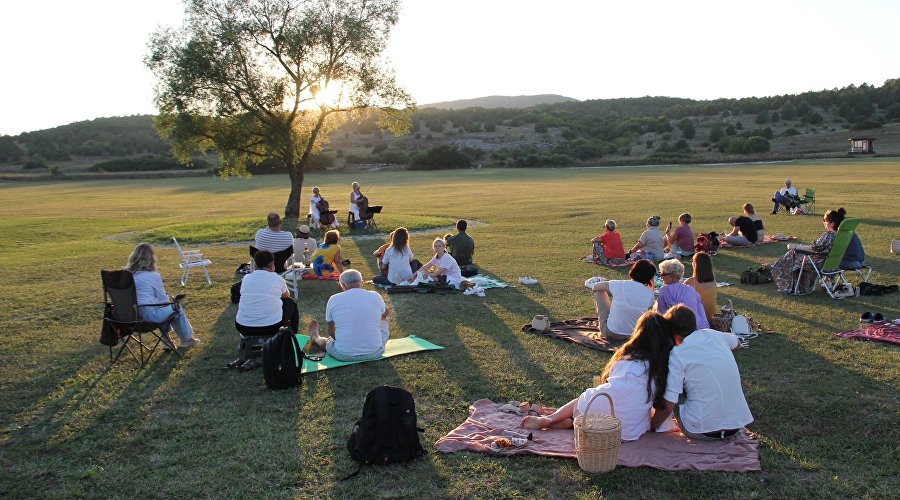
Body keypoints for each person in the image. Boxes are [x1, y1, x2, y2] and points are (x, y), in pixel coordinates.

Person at [520, 311, 676, 441]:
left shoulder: (626, 358)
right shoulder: (663, 366)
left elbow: (609, 382)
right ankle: (571, 422)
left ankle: (550, 419)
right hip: (630, 432)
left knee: (583, 399)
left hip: (600, 411)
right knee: (621, 407)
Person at [651, 305, 753, 440]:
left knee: (674, 387)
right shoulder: (715, 335)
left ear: (672, 332)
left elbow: (668, 404)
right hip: (734, 427)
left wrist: (651, 426)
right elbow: (737, 343)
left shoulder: (678, 354)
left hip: (700, 430)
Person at [126, 243, 200, 349]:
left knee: (161, 308)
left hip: (127, 316)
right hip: (147, 317)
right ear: (151, 258)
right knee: (175, 307)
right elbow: (163, 300)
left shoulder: (125, 275)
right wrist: (173, 301)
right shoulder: (152, 276)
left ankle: (167, 341)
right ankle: (187, 340)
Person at [308, 269, 390, 361]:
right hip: (375, 352)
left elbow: (331, 331)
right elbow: (385, 313)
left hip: (344, 354)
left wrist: (343, 341)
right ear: (362, 283)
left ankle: (316, 337)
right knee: (384, 319)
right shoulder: (375, 295)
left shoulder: (333, 299)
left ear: (342, 285)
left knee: (328, 342)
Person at [769, 207, 845, 294]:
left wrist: (796, 246)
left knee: (792, 254)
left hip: (818, 262)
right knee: (795, 254)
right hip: (830, 262)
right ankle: (799, 284)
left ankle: (780, 274)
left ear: (832, 223)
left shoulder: (828, 235)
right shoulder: (840, 236)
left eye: (825, 221)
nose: (824, 223)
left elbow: (813, 248)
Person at [235, 250, 299, 337]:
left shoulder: (246, 278)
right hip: (272, 327)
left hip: (242, 326)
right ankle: (293, 336)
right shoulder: (278, 279)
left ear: (254, 265)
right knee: (290, 302)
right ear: (273, 265)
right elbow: (286, 296)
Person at [590, 259, 656, 340]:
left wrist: (613, 293)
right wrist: (651, 290)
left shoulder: (620, 284)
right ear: (650, 278)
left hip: (611, 332)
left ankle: (606, 321)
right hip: (634, 336)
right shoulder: (649, 294)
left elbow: (595, 287)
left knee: (599, 291)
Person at [655, 259, 710, 329]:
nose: (661, 277)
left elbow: (661, 315)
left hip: (681, 331)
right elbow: (700, 311)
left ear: (671, 276)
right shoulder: (691, 289)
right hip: (701, 327)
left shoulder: (664, 290)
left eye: (663, 274)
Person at [684, 252, 717, 321]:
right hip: (712, 319)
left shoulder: (690, 282)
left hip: (698, 321)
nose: (692, 263)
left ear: (696, 264)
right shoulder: (713, 281)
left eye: (692, 261)